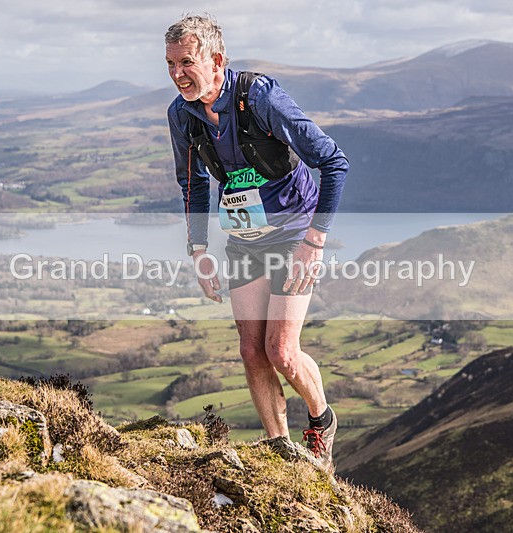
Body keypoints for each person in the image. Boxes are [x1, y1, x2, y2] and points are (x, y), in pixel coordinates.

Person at [165, 14, 348, 472]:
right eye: (170, 64)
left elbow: (334, 162)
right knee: (251, 351)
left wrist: (315, 240)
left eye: (187, 62)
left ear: (217, 60)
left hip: (292, 232)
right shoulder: (181, 115)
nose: (177, 73)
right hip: (244, 237)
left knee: (281, 350)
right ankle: (280, 452)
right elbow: (192, 185)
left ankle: (321, 422)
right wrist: (199, 251)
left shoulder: (259, 96)